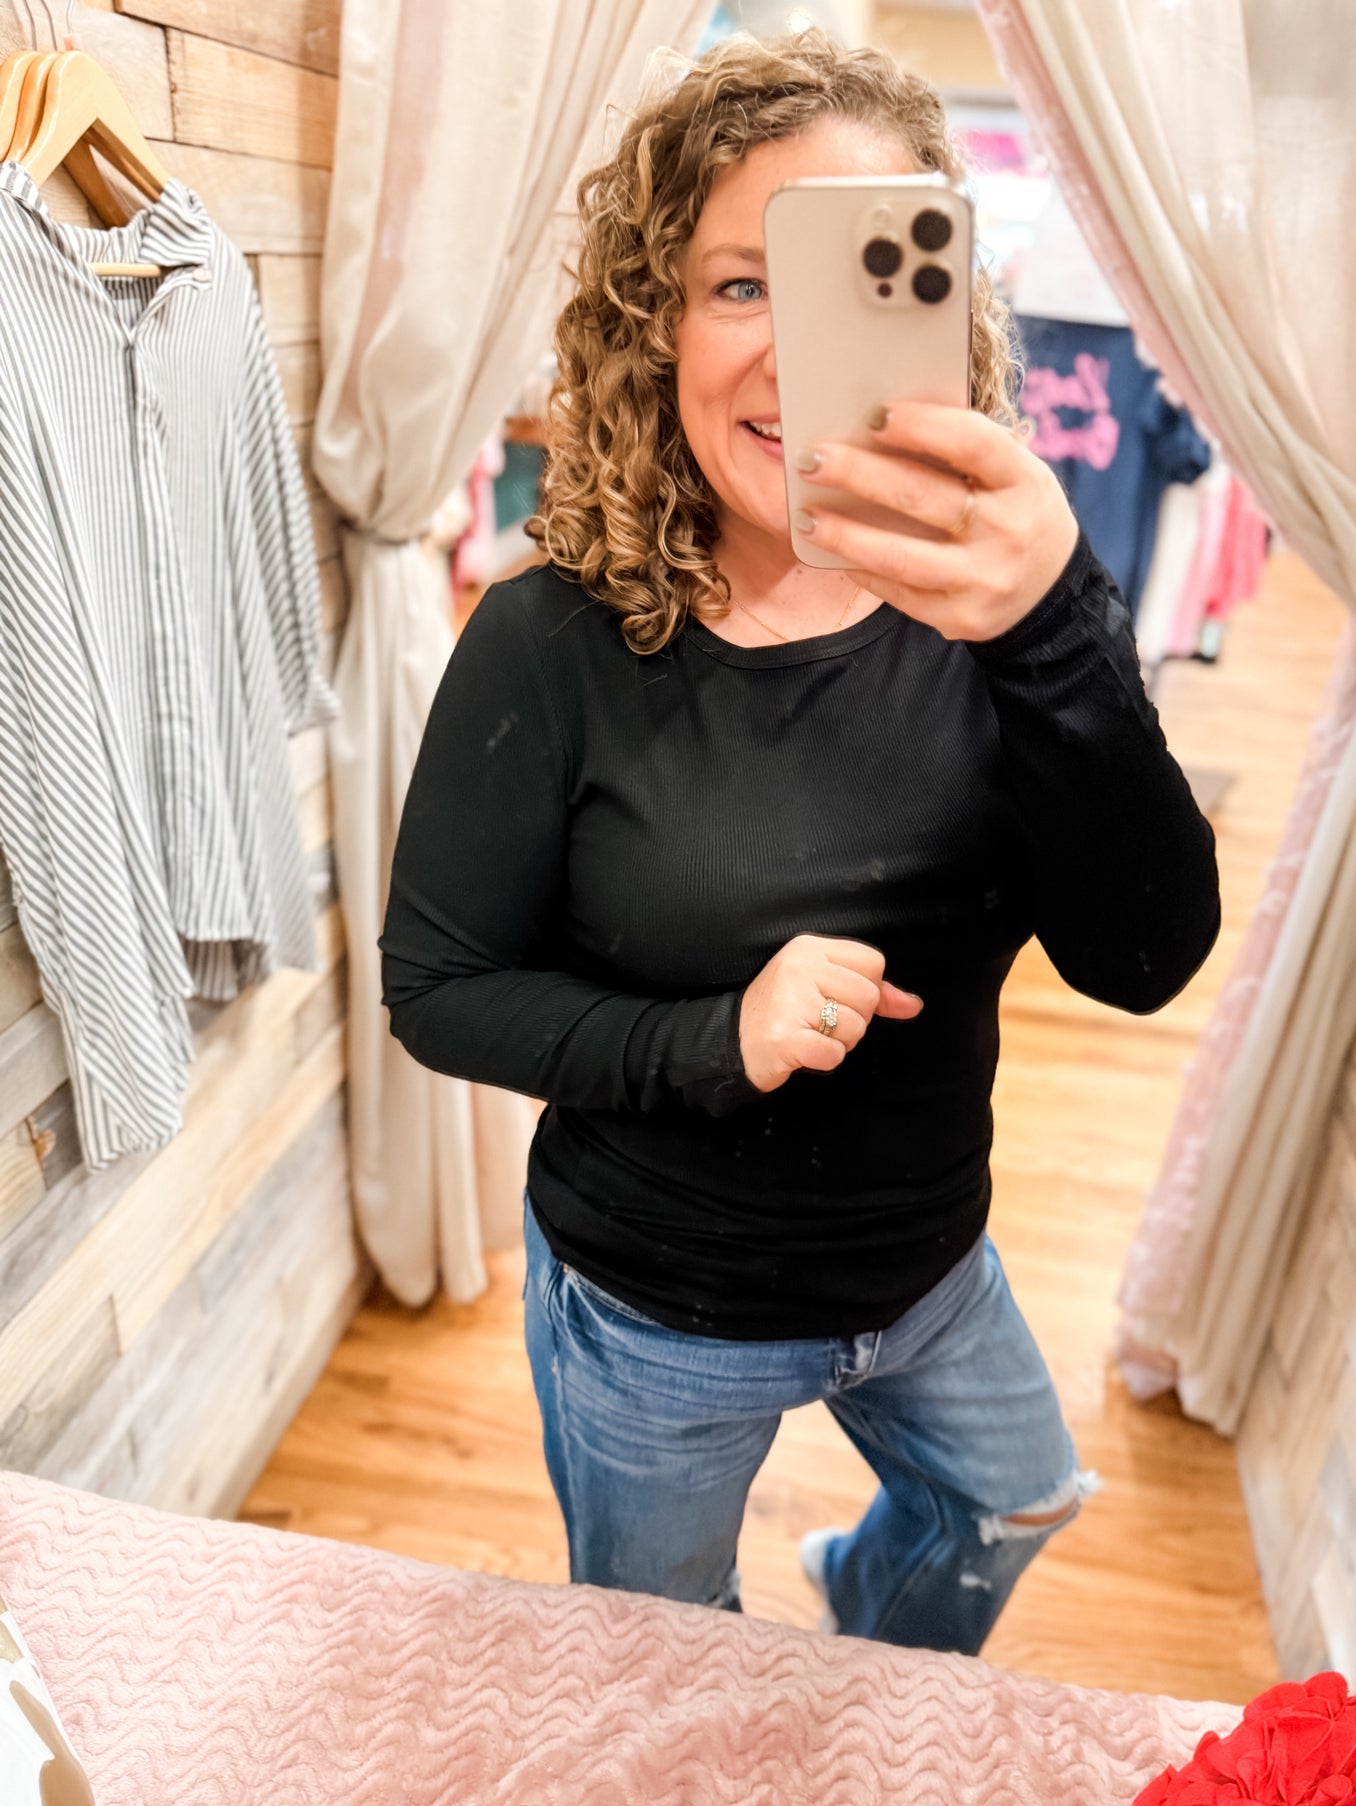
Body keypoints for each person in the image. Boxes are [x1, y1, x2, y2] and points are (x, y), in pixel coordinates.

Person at [380, 30, 1220, 1655]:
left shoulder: (1007, 607)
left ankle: (859, 1633)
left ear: (932, 318)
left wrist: (1054, 629)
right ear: (653, 322)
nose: (781, 356)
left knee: (1014, 1501)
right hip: (658, 1317)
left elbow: (1141, 959)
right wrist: (719, 1038)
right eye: (733, 285)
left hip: (931, 1275)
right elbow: (438, 989)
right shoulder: (551, 639)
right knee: (667, 1651)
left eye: (842, 280)